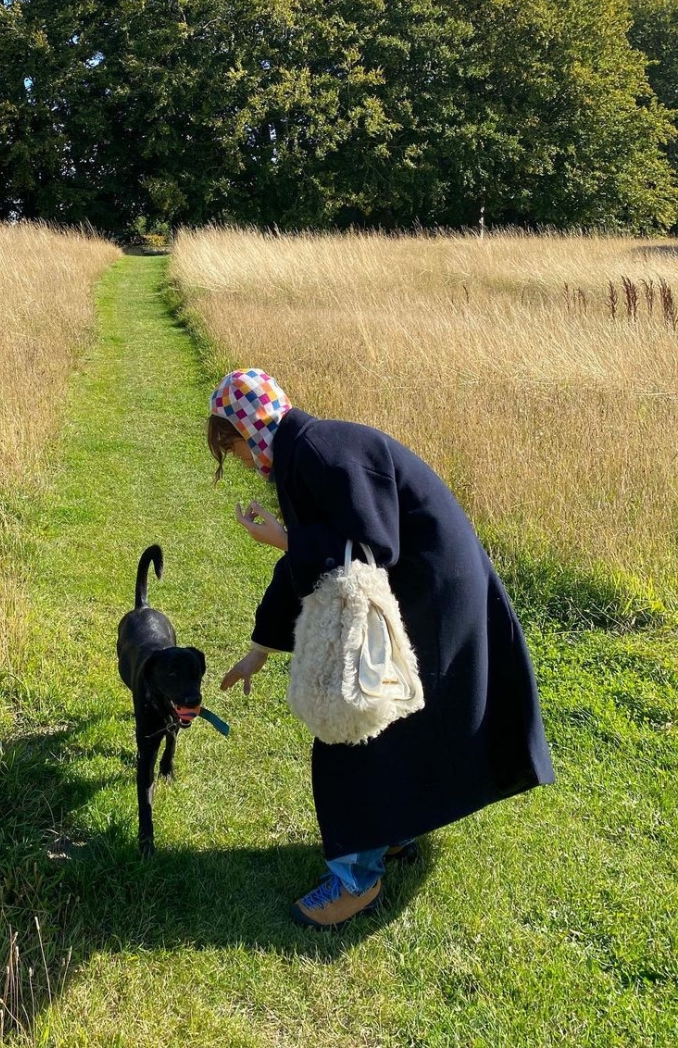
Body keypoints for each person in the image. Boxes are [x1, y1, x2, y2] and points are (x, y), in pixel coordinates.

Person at [210, 368, 554, 929]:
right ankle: (392, 836)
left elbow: (375, 542)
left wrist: (286, 537)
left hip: (431, 590)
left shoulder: (319, 451)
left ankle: (355, 880)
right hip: (421, 584)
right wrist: (260, 649)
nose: (238, 461)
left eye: (230, 447)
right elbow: (311, 561)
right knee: (392, 718)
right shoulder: (304, 454)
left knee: (353, 721)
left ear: (245, 431)